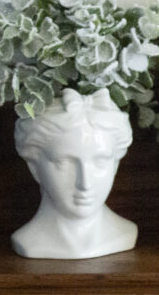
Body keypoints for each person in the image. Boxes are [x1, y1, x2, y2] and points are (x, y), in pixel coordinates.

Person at [12, 88, 137, 259]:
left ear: (115, 165)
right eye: (64, 162)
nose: (85, 183)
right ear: (34, 167)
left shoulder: (125, 233)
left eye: (100, 161)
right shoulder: (28, 241)